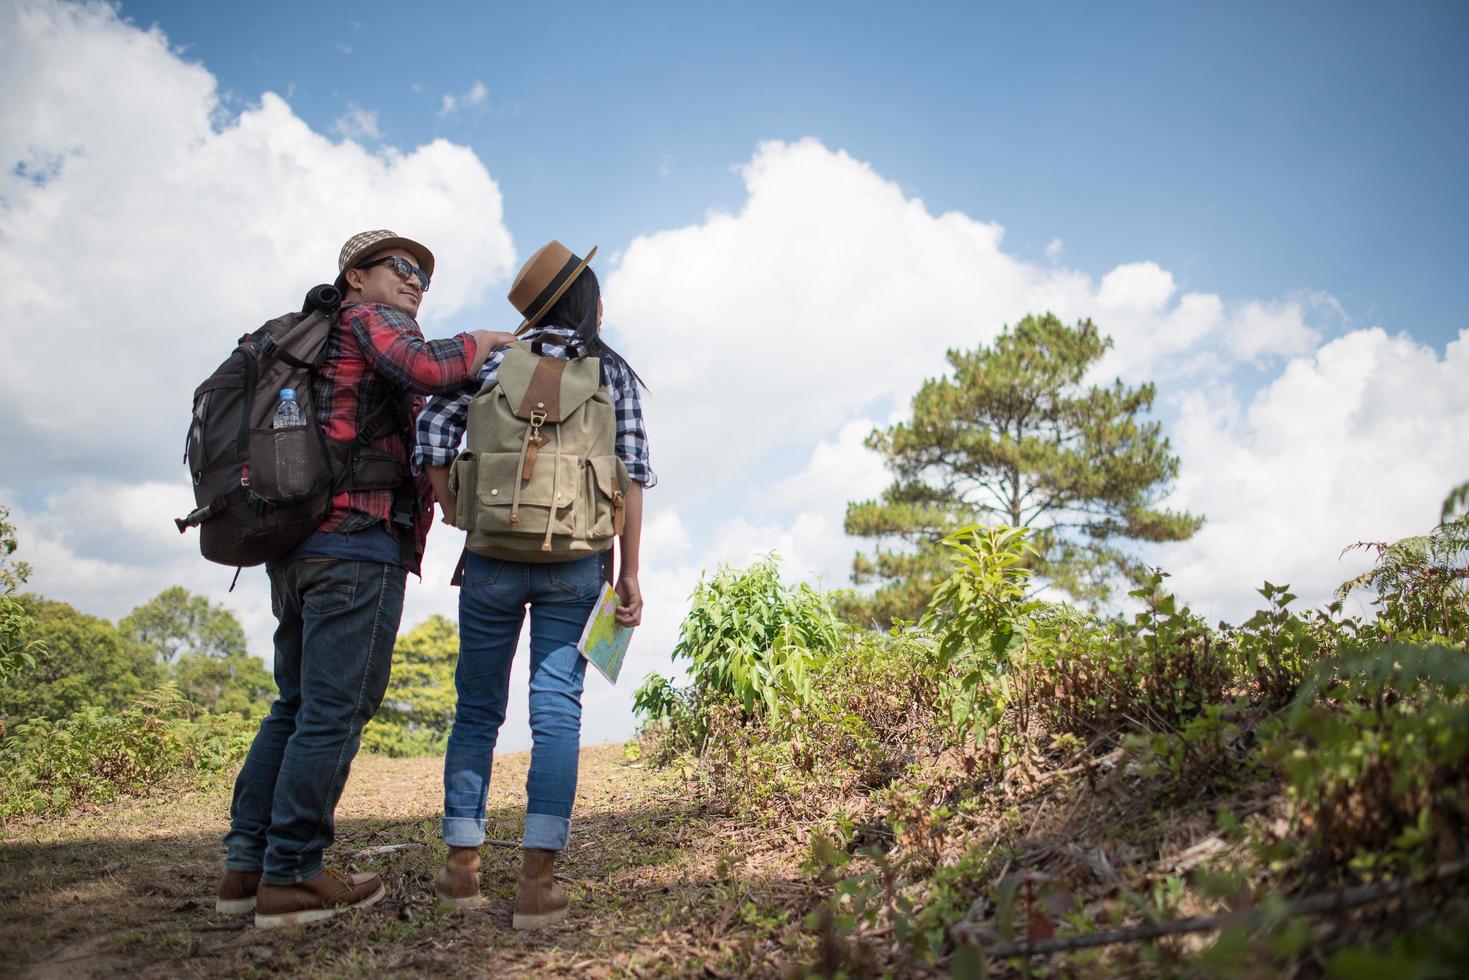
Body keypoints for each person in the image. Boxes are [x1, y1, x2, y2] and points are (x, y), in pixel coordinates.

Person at [217, 230, 519, 929]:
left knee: (293, 705)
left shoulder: (318, 340)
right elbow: (423, 363)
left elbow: (431, 390)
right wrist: (485, 339)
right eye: (402, 269)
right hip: (357, 544)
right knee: (332, 711)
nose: (416, 283)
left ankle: (246, 864)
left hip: (298, 546)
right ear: (354, 276)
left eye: (424, 277)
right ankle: (291, 873)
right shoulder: (366, 321)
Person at [415, 240, 654, 929]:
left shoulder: (491, 361)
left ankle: (461, 869)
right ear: (587, 304)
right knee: (556, 713)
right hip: (576, 565)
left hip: (489, 559)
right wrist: (629, 573)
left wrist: (456, 509)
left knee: (475, 708)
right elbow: (632, 479)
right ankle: (536, 883)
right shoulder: (611, 373)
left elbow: (430, 432)